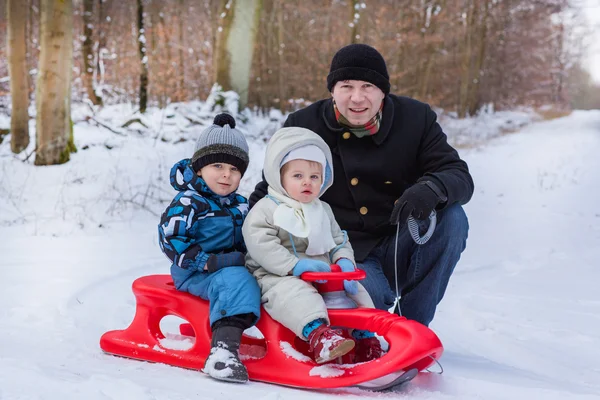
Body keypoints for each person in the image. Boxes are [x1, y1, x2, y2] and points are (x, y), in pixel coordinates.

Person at [250, 44, 474, 327]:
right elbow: (270, 189)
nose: (357, 97)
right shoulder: (303, 125)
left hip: (400, 246)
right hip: (346, 258)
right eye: (346, 86)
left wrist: (431, 187)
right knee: (357, 315)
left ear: (383, 91)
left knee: (453, 218)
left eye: (367, 86)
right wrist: (233, 236)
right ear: (333, 90)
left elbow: (458, 174)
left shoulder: (416, 119)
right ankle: (364, 321)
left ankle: (413, 328)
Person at [242, 127, 383, 364]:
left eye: (314, 177)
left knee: (357, 292)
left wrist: (344, 261)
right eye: (297, 176)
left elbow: (339, 240)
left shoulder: (322, 209)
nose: (307, 182)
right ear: (279, 176)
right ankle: (320, 336)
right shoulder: (267, 209)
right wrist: (293, 265)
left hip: (323, 273)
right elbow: (260, 242)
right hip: (277, 274)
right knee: (296, 295)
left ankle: (365, 337)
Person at [158, 113, 260, 384]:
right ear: (199, 168)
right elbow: (171, 238)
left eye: (235, 169)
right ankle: (222, 353)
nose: (227, 175)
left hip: (232, 266)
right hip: (195, 271)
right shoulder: (190, 203)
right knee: (235, 280)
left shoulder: (241, 204)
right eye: (218, 165)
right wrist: (204, 261)